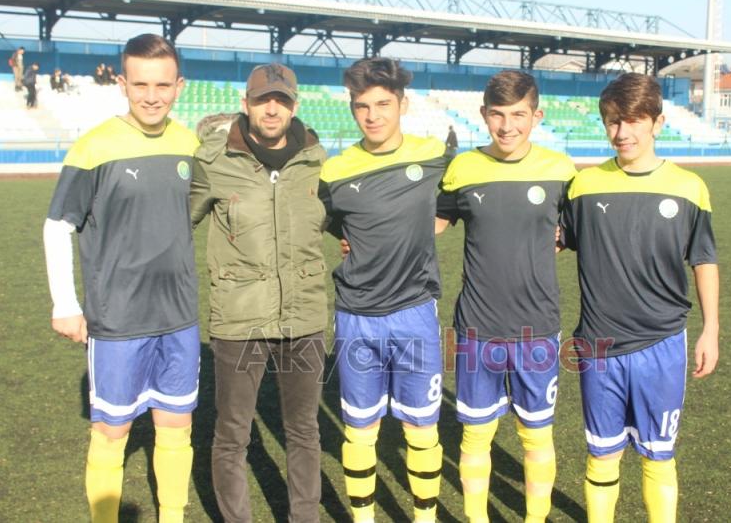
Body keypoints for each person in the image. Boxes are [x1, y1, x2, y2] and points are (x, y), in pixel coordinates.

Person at [43, 34, 199, 523]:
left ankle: (171, 516)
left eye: (161, 84)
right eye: (140, 84)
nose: (151, 95)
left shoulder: (189, 143)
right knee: (111, 432)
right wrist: (64, 303)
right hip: (117, 319)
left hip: (179, 317)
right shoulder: (94, 147)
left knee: (177, 427)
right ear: (123, 83)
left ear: (179, 86)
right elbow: (56, 226)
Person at [558, 73, 719, 522]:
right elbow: (551, 238)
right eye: (612, 121)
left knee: (657, 455)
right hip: (597, 344)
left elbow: (703, 260)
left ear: (657, 123)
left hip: (662, 343)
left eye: (632, 120)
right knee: (602, 454)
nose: (621, 132)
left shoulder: (689, 187)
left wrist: (712, 329)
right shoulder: (584, 186)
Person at [435, 70, 576, 523]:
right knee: (475, 435)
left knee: (535, 435)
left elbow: (580, 231)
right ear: (483, 115)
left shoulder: (561, 170)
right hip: (477, 328)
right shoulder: (462, 169)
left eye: (518, 115)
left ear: (537, 115)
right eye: (497, 115)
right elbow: (430, 226)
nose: (507, 126)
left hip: (538, 328)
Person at [190, 63, 328, 523]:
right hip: (238, 322)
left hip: (304, 320)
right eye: (263, 99)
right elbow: (172, 223)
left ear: (295, 105)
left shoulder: (317, 161)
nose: (272, 108)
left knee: (304, 432)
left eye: (282, 100)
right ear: (246, 103)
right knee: (232, 435)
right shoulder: (212, 163)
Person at [318, 57, 448, 523]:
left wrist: (435, 225)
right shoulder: (334, 172)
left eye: (382, 104)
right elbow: (334, 224)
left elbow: (459, 198)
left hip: (415, 312)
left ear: (402, 105)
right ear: (352, 109)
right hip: (356, 315)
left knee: (422, 428)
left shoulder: (432, 154)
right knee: (360, 428)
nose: (372, 115)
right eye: (361, 106)